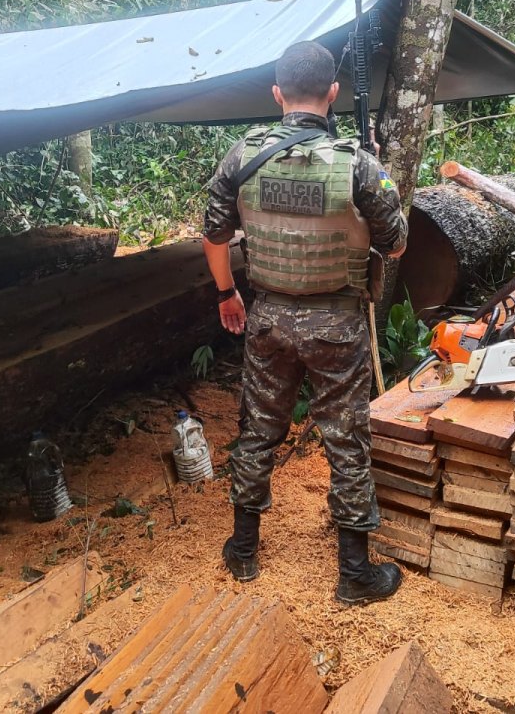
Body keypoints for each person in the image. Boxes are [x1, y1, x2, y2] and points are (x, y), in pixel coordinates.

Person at [200, 39, 408, 605]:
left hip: (266, 316)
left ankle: (243, 550)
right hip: (336, 326)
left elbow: (214, 236)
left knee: (258, 429)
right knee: (345, 439)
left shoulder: (241, 157)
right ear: (334, 93)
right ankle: (354, 572)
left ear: (276, 94)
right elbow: (395, 245)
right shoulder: (358, 165)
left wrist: (227, 295)